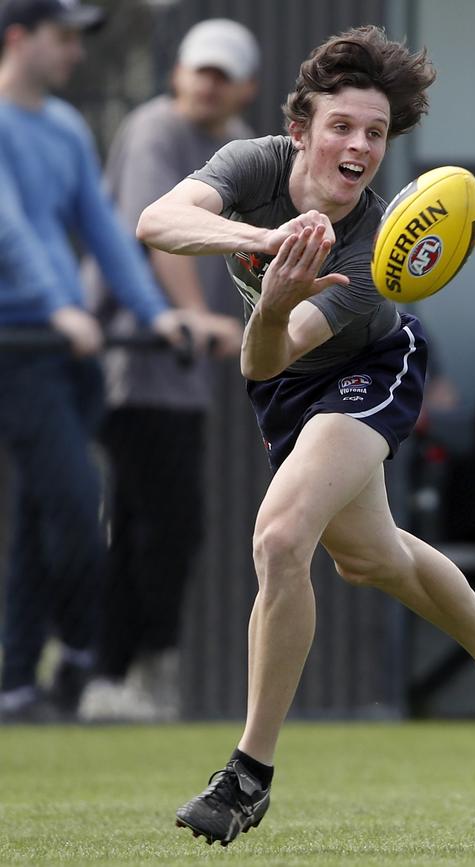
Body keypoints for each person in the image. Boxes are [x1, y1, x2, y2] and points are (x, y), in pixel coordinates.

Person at [137, 25, 475, 847]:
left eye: (375, 132)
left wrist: (279, 295)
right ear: (301, 128)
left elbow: (274, 347)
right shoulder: (256, 165)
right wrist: (267, 246)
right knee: (370, 556)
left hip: (371, 367)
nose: (360, 145)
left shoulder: (376, 250)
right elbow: (159, 221)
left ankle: (248, 773)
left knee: (281, 534)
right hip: (288, 380)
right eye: (342, 125)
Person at [0, 0, 191, 722]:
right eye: (63, 37)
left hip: (70, 343)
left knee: (38, 517)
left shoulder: (66, 128)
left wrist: (157, 314)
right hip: (20, 345)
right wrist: (59, 306)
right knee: (81, 508)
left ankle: (17, 684)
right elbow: (9, 227)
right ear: (19, 38)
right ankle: (80, 654)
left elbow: (107, 234)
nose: (75, 53)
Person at [77, 18, 259, 723]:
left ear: (245, 85)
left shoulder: (241, 145)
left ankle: (116, 675)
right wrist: (193, 319)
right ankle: (132, 669)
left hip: (182, 368)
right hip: (134, 355)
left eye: (223, 74)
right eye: (199, 69)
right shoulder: (155, 128)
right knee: (157, 521)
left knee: (146, 519)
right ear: (177, 72)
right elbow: (161, 235)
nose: (207, 84)